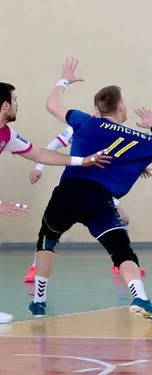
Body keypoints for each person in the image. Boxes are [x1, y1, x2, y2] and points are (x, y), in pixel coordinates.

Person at [28, 57, 152, 325]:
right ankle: (139, 297)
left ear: (97, 107)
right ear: (120, 106)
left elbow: (51, 104)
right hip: (98, 199)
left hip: (67, 193)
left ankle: (38, 301)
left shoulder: (85, 121)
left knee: (47, 240)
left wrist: (64, 80)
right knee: (122, 251)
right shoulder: (134, 136)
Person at [0, 81, 109, 324]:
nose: (18, 104)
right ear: (5, 105)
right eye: (15, 100)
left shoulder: (5, 135)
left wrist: (83, 161)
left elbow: (39, 153)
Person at [24, 114, 152, 282]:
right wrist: (38, 168)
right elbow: (54, 144)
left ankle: (120, 263)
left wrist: (138, 167)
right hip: (74, 185)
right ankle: (35, 268)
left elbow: (123, 154)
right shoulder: (83, 125)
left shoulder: (113, 130)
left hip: (99, 187)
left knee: (124, 219)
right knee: (50, 234)